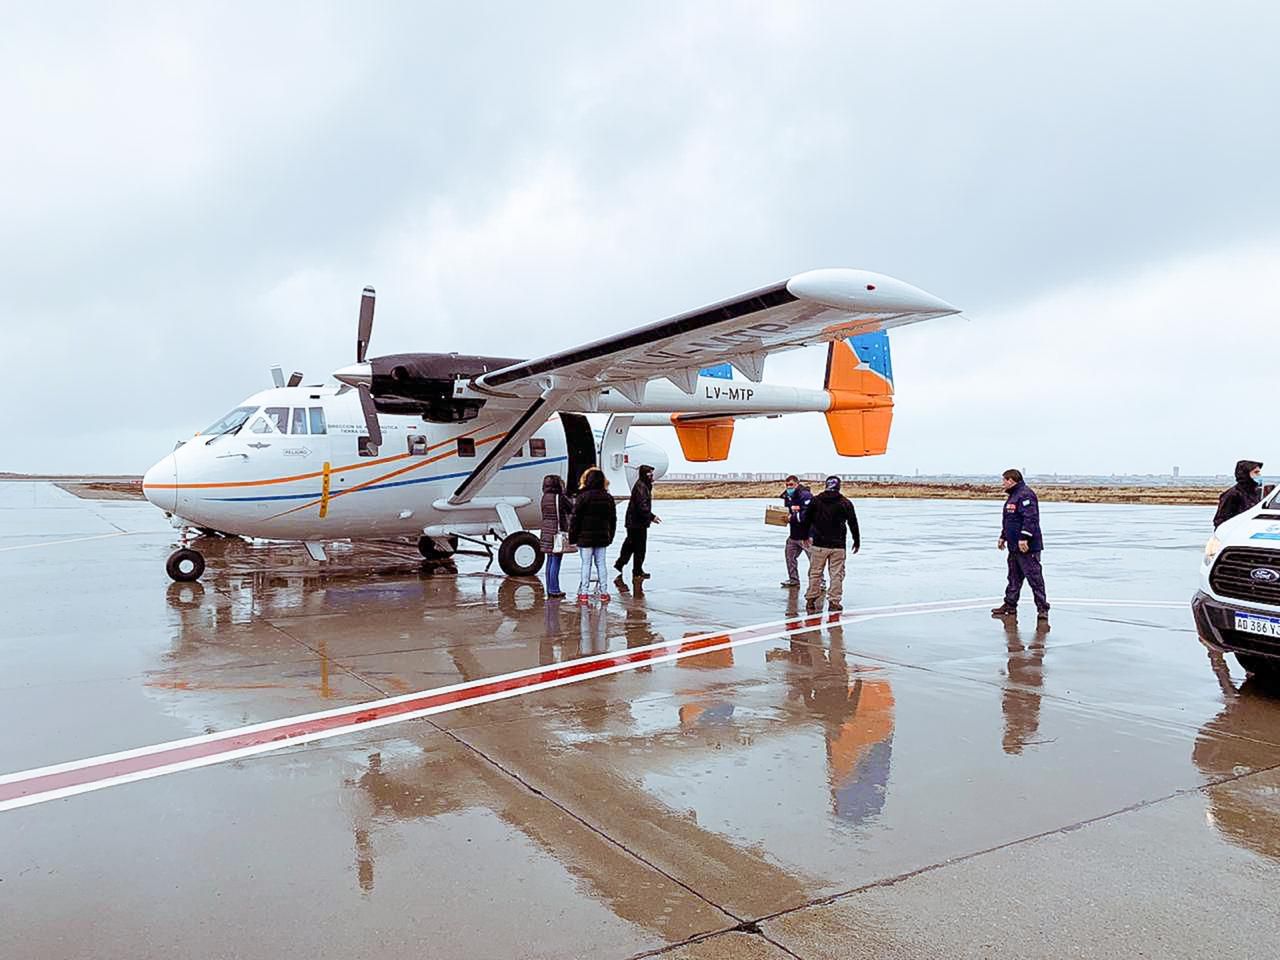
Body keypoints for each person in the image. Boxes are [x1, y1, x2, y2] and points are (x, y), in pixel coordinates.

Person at [991, 468, 1050, 621]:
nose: (1002, 483)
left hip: (1027, 547)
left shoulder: (1025, 495)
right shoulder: (1012, 497)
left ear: (1011, 480)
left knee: (1034, 578)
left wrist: (1024, 537)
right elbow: (1010, 520)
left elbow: (1030, 518)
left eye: (1004, 480)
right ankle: (1010, 605)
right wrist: (1003, 536)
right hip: (1013, 546)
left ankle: (1042, 608)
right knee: (1013, 578)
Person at [804, 476, 860, 614]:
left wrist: (805, 536)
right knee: (836, 574)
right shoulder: (845, 502)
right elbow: (853, 522)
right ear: (839, 486)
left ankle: (811, 600)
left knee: (815, 573)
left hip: (819, 544)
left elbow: (807, 519)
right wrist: (856, 540)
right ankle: (834, 602)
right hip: (838, 545)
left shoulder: (815, 501)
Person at [569, 468, 617, 603]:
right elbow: (613, 519)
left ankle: (584, 593)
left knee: (586, 564)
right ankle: (604, 592)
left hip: (584, 537)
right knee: (601, 564)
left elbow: (575, 519)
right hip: (602, 536)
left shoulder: (582, 497)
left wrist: (573, 537)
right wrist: (610, 536)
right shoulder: (608, 498)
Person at [615, 464, 661, 579]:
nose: (652, 475)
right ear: (646, 474)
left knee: (631, 544)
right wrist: (652, 517)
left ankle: (621, 564)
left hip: (634, 522)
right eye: (650, 473)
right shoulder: (641, 487)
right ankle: (636, 570)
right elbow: (642, 506)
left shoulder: (643, 485)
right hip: (637, 522)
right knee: (639, 547)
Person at [539, 474, 573, 599]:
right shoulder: (559, 497)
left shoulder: (545, 497)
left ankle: (549, 587)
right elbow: (571, 509)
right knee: (556, 560)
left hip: (546, 532)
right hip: (556, 533)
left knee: (549, 560)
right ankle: (554, 589)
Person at [780, 475, 814, 588]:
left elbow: (807, 515)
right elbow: (788, 512)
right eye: (787, 485)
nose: (789, 487)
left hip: (807, 535)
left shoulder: (805, 496)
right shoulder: (787, 496)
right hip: (794, 534)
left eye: (791, 485)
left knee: (814, 560)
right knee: (789, 556)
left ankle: (820, 582)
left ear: (797, 484)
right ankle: (793, 579)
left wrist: (792, 518)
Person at [1213, 460, 1265, 527]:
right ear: (1245, 474)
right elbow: (1220, 520)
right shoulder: (1233, 494)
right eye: (1256, 472)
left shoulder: (1255, 493)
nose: (1259, 475)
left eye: (1259, 472)